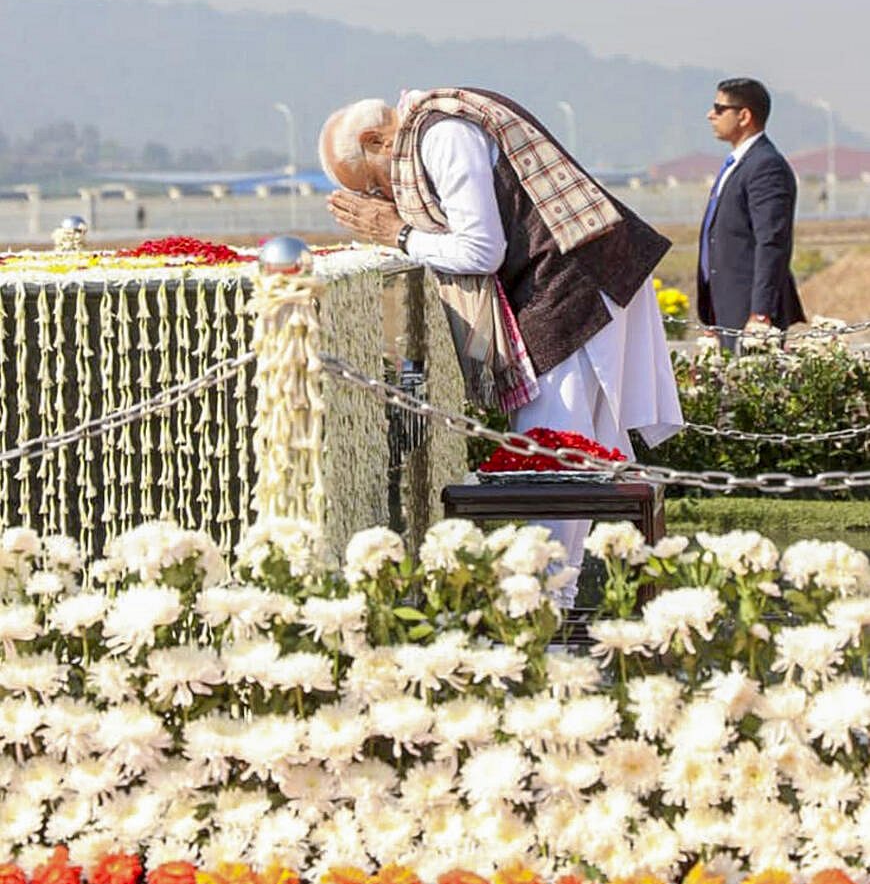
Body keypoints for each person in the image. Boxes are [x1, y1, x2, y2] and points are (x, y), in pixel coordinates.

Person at [319, 87, 684, 604]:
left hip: (575, 290)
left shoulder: (442, 136)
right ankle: (556, 608)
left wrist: (398, 234)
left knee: (553, 458)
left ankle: (545, 615)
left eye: (374, 186)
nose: (383, 200)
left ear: (376, 139)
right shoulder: (435, 129)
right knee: (569, 459)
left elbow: (480, 249)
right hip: (571, 286)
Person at [698, 78, 805, 349]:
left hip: (749, 312)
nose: (711, 115)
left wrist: (760, 313)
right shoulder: (737, 164)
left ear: (744, 115)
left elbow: (771, 241)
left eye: (719, 108)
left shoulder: (765, 166)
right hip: (725, 307)